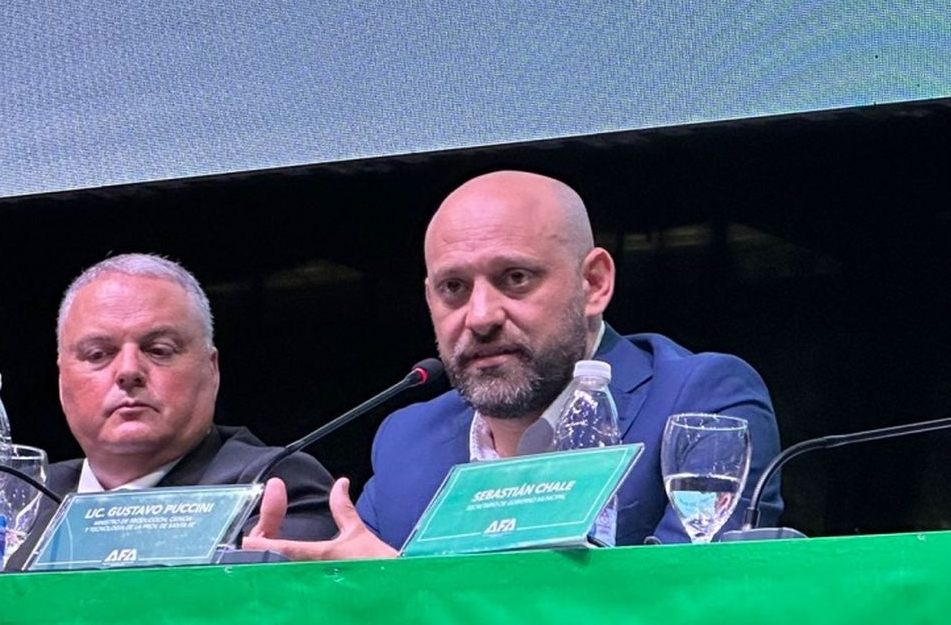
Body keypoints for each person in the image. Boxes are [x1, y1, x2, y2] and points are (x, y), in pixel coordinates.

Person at [243, 170, 782, 559]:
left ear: (593, 284)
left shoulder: (697, 400)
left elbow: (687, 605)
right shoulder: (407, 438)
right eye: (454, 288)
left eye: (515, 279)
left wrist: (403, 595)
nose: (480, 317)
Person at [12, 254, 337, 566]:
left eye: (159, 350)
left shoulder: (275, 487)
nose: (128, 371)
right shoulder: (14, 500)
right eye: (98, 354)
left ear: (212, 370)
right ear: (61, 380)